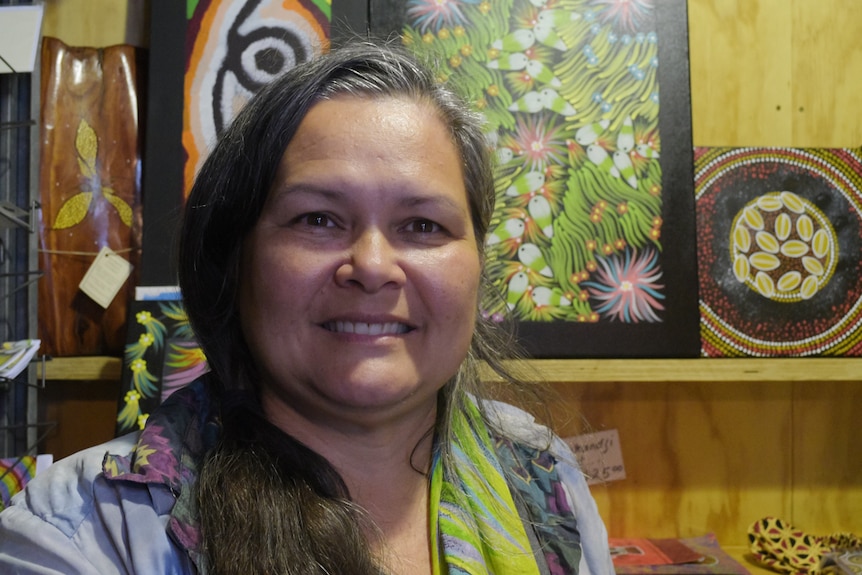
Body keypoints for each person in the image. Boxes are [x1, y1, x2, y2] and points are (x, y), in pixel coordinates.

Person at [0, 40, 613, 574]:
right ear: (235, 258)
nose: (372, 266)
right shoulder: (79, 538)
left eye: (423, 225)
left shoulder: (544, 478)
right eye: (317, 219)